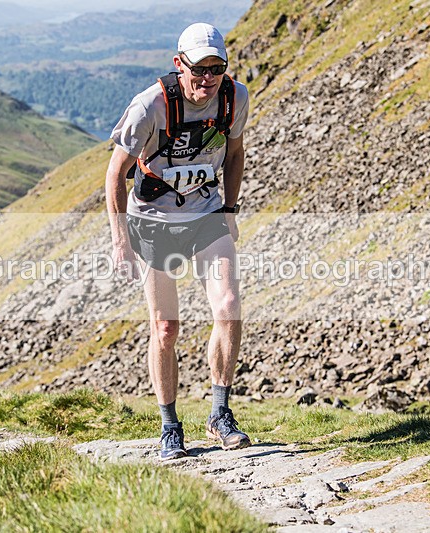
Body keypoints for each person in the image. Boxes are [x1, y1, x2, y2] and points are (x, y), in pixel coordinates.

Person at [105, 22, 250, 460]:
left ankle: (220, 414)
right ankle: (170, 426)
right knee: (166, 328)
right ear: (178, 64)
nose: (208, 79)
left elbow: (235, 153)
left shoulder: (234, 98)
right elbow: (115, 174)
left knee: (228, 307)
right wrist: (120, 241)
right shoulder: (150, 105)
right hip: (153, 221)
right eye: (199, 69)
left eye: (217, 68)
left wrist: (229, 210)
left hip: (205, 214)